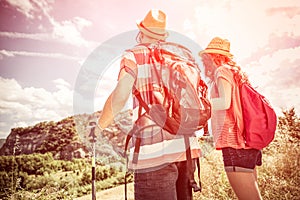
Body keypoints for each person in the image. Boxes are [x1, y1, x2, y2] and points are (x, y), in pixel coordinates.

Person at [97, 9, 201, 200]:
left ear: (141, 32)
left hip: (155, 154)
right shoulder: (179, 57)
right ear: (163, 35)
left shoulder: (133, 55)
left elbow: (120, 96)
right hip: (186, 149)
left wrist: (99, 127)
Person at [199, 37, 262, 200]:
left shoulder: (221, 71)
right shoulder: (235, 73)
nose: (203, 62)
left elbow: (224, 102)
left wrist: (200, 105)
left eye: (205, 58)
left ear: (212, 57)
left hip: (234, 143)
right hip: (247, 142)